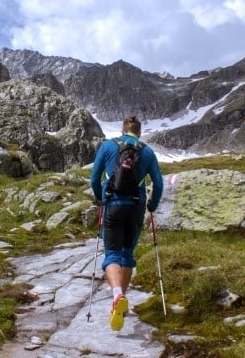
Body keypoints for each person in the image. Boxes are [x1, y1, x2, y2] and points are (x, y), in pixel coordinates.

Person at [90, 115, 163, 331]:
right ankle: (120, 304)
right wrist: (153, 205)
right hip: (136, 207)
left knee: (111, 253)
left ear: (123, 131)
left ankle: (117, 295)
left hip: (112, 204)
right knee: (126, 254)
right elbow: (158, 183)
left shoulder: (108, 146)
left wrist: (100, 197)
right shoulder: (147, 151)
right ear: (139, 132)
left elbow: (94, 178)